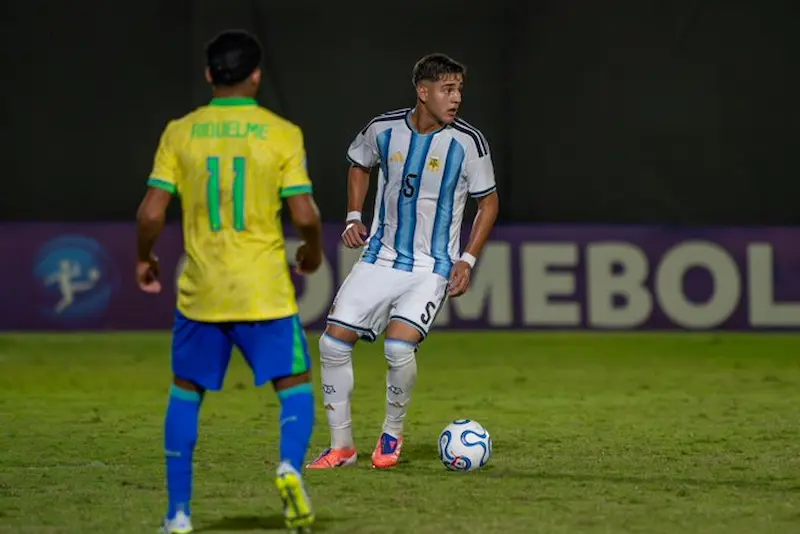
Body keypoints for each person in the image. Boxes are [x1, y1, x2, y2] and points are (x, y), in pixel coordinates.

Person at [135, 29, 321, 534]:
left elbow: (152, 210)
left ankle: (177, 516)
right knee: (295, 387)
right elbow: (304, 212)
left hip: (202, 292)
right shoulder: (283, 132)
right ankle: (287, 466)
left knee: (185, 394)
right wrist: (314, 249)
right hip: (264, 289)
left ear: (209, 74)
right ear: (257, 76)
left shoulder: (181, 131)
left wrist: (145, 258)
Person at [307, 53, 500, 470]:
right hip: (380, 256)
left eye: (459, 90)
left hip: (432, 266)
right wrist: (354, 216)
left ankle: (391, 435)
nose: (456, 99)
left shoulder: (468, 142)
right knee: (332, 342)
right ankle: (341, 447)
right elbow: (359, 164)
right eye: (448, 90)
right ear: (423, 91)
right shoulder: (383, 129)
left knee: (398, 346)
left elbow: (489, 203)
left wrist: (466, 259)